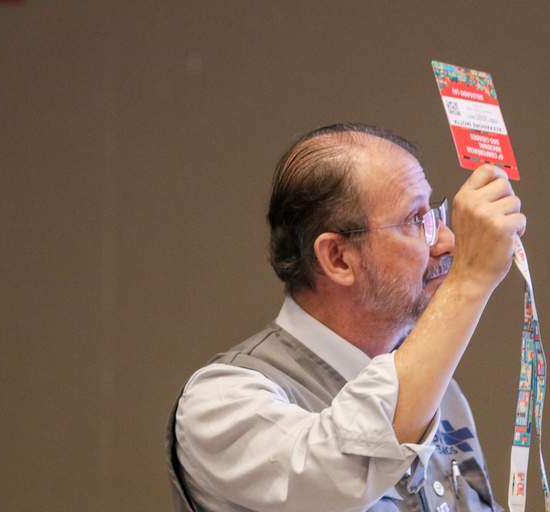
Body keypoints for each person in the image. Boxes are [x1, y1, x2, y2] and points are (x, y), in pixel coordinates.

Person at [166, 123, 525, 512]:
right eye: (415, 220)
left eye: (433, 215)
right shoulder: (220, 401)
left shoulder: (441, 388)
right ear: (338, 258)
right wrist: (469, 279)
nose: (447, 242)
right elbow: (338, 475)